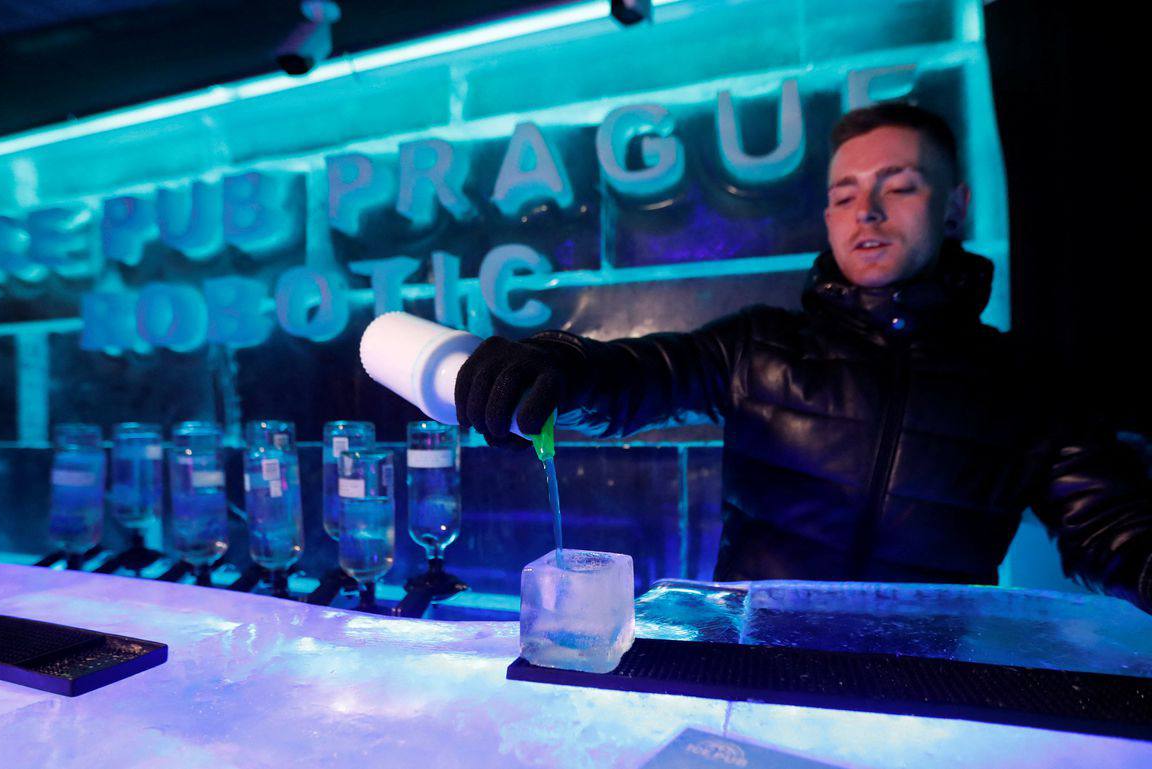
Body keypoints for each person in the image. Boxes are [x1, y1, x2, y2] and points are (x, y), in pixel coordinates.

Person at [455, 103, 1152, 612]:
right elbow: (640, 375)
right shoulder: (760, 345)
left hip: (929, 697)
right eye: (845, 195)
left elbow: (1113, 526)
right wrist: (559, 366)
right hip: (758, 674)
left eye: (899, 185)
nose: (867, 211)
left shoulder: (1028, 384)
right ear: (827, 217)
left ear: (954, 205)